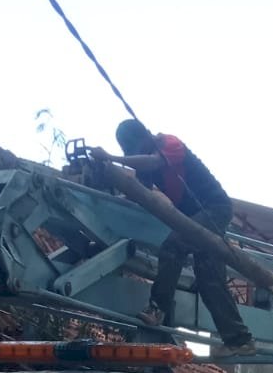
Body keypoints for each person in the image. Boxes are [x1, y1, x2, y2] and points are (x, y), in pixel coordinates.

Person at [92, 121, 255, 355]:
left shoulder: (169, 143)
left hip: (215, 209)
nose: (135, 154)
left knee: (173, 246)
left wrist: (110, 158)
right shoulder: (144, 163)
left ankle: (158, 308)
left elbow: (154, 161)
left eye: (134, 149)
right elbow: (140, 193)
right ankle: (240, 340)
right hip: (193, 217)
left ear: (145, 136)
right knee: (210, 279)